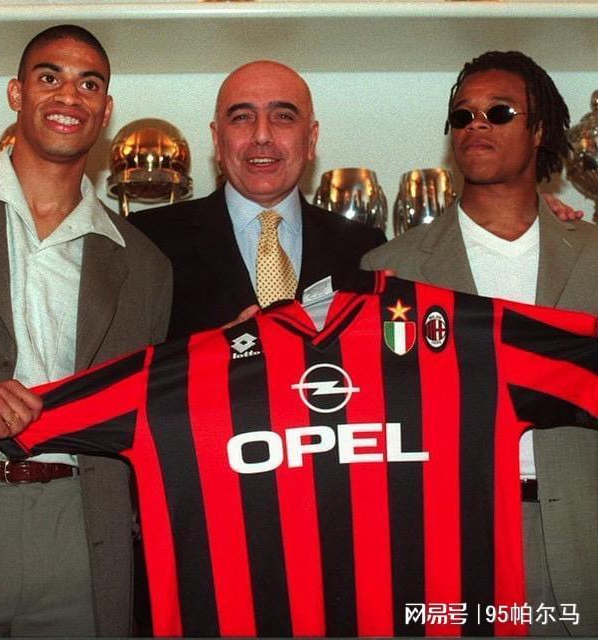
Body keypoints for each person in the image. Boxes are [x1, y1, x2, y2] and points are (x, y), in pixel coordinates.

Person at [362, 50, 598, 636]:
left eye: (499, 112)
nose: (477, 125)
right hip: (445, 545)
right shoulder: (390, 270)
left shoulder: (593, 253)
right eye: (462, 115)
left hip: (585, 537)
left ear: (539, 131)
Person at [0, 25, 172, 636]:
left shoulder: (145, 265)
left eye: (89, 84)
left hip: (84, 531)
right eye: (49, 77)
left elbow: (151, 415)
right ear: (16, 93)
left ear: (106, 110)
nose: (69, 96)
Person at [131, 60, 385, 337]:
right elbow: (126, 358)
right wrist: (209, 351)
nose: (262, 136)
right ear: (217, 140)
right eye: (242, 117)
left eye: (283, 117)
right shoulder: (147, 240)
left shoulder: (364, 249)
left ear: (311, 140)